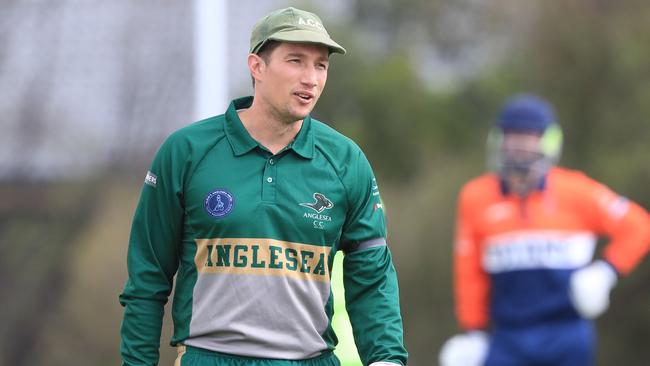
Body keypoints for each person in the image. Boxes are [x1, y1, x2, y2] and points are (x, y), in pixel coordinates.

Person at [119, 6, 407, 366]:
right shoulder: (186, 152)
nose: (311, 78)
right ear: (257, 66)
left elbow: (373, 277)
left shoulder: (347, 161)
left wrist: (387, 359)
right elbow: (147, 280)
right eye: (295, 61)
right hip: (210, 358)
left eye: (321, 65)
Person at [438, 94, 650, 366]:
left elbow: (639, 226)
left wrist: (606, 271)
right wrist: (474, 331)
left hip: (567, 333)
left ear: (547, 141)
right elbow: (469, 272)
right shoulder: (475, 197)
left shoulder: (578, 191)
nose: (519, 146)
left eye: (528, 137)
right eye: (512, 136)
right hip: (507, 337)